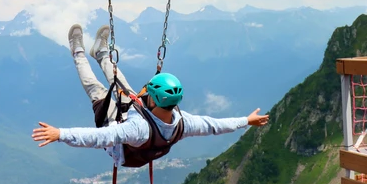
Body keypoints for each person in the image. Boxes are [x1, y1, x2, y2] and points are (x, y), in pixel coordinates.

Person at [32, 24, 269, 167]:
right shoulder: (182, 122)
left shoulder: (136, 129)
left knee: (98, 91)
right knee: (127, 90)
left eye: (150, 90)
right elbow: (214, 125)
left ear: (154, 100)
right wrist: (247, 121)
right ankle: (102, 54)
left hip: (122, 149)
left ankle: (78, 51)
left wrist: (59, 134)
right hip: (142, 126)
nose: (145, 90)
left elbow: (98, 137)